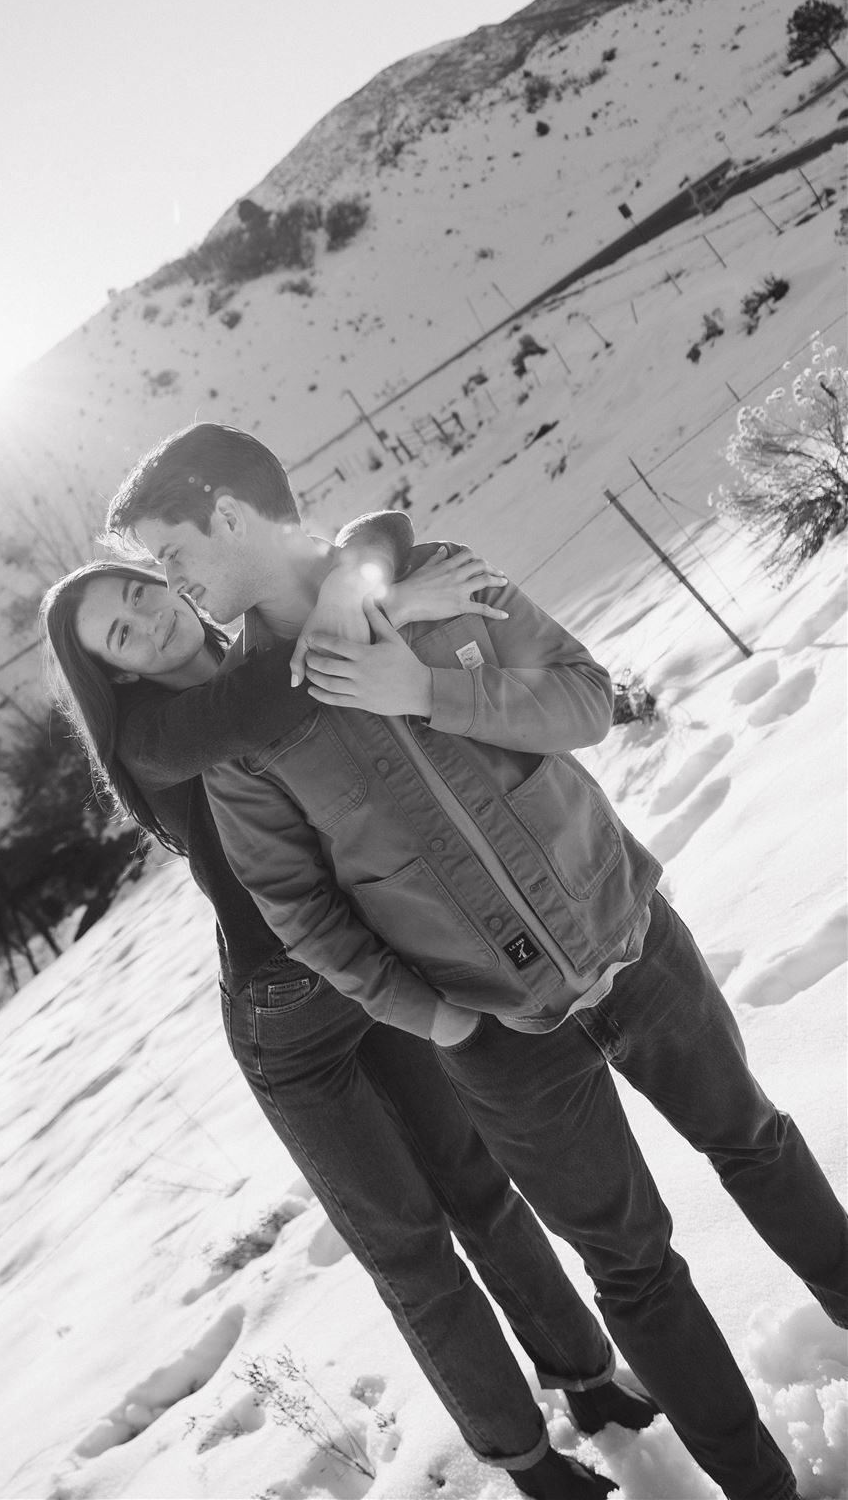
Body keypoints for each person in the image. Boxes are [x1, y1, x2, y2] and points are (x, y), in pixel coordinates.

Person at [105, 421, 848, 1500]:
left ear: (228, 513)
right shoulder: (245, 736)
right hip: (503, 1039)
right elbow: (303, 910)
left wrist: (429, 691)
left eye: (172, 552)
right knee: (632, 1269)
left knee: (760, 1143)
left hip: (634, 942)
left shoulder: (431, 582)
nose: (169, 583)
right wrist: (438, 1017)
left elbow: (585, 696)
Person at [41, 536, 659, 1499]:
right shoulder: (156, 736)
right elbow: (292, 692)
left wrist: (352, 580)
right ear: (112, 672)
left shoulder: (265, 646)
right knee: (414, 1250)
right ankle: (528, 1464)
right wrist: (382, 601)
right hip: (290, 1022)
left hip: (378, 967)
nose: (145, 615)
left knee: (483, 1194)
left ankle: (588, 1381)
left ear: (163, 573)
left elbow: (365, 531)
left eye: (136, 589)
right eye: (118, 632)